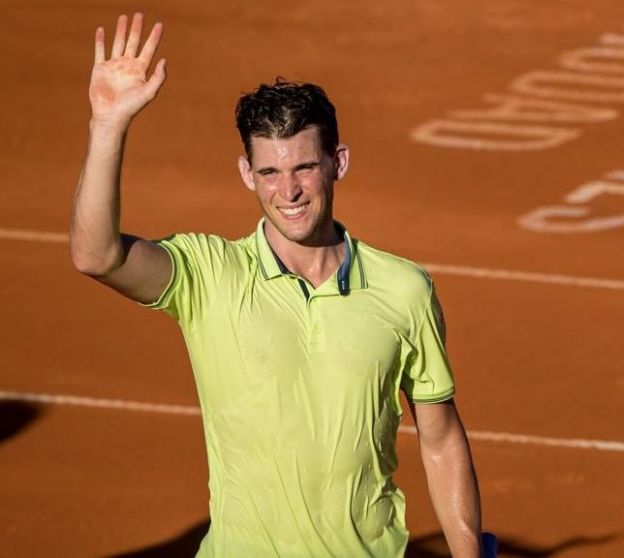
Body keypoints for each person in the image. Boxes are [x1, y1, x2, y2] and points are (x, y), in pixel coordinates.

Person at [70, 13, 484, 557]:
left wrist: (469, 551)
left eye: (304, 169)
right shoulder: (210, 274)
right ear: (247, 173)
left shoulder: (403, 289)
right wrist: (108, 127)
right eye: (269, 172)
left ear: (338, 163)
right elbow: (96, 255)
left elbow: (441, 435)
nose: (287, 191)